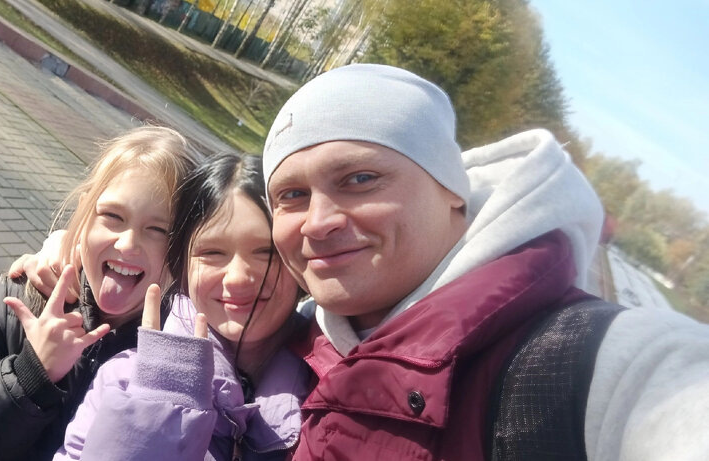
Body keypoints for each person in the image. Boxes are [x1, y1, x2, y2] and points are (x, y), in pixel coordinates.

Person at [261, 63, 709, 460]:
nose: (317, 222)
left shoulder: (594, 367)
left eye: (360, 178)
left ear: (452, 189)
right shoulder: (283, 341)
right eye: (292, 195)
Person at [0, 126, 196, 461]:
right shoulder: (19, 300)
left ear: (184, 247)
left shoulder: (179, 359)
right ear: (85, 213)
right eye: (112, 216)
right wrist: (30, 375)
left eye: (159, 230)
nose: (128, 243)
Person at [54, 153, 311, 460]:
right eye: (212, 252)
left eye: (266, 252)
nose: (238, 278)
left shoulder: (333, 383)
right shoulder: (126, 379)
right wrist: (158, 415)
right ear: (182, 266)